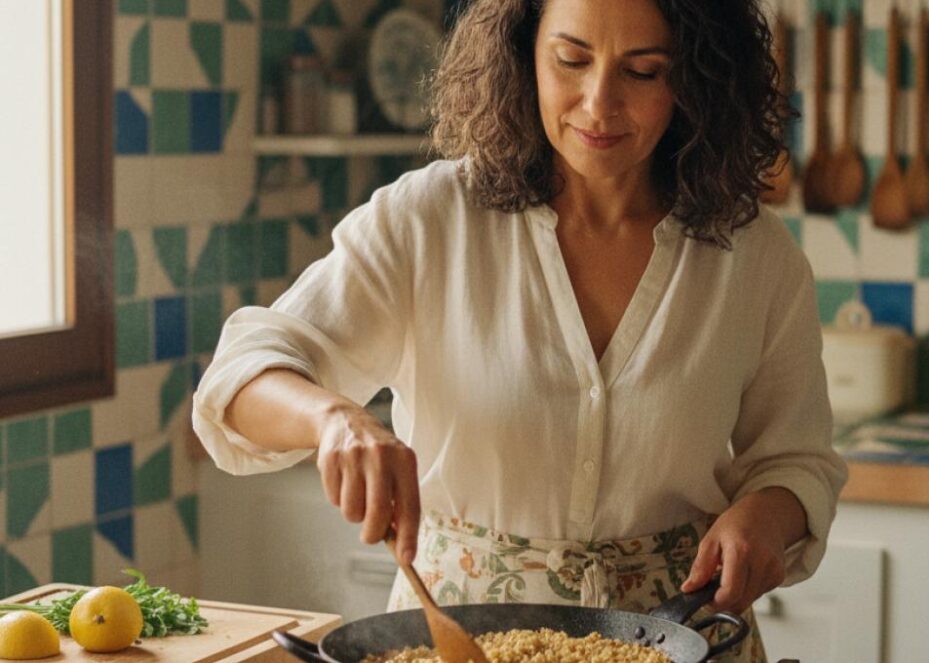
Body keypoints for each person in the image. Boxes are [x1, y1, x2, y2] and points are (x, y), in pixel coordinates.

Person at [192, 0, 846, 660]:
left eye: (643, 71)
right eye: (571, 60)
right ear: (523, 53)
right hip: (459, 635)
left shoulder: (755, 255)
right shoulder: (428, 220)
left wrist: (766, 514)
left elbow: (797, 460)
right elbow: (240, 375)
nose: (599, 103)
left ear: (698, 76)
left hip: (678, 632)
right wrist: (333, 420)